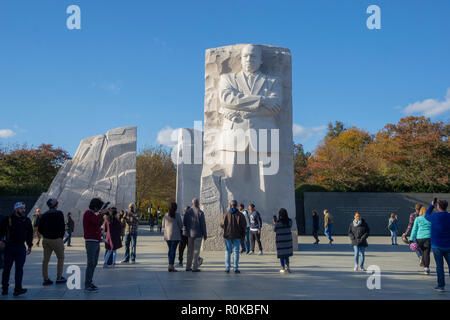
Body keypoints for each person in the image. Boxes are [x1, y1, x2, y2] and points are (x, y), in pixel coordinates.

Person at [0, 202, 33, 296]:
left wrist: (29, 245)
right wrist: (1, 240)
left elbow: (29, 233)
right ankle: (4, 288)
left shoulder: (26, 220)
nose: (23, 210)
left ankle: (18, 289)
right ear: (16, 209)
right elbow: (1, 230)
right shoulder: (8, 219)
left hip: (21, 248)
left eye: (24, 208)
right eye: (21, 208)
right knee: (7, 269)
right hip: (9, 247)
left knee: (19, 269)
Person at [39, 198, 67, 286]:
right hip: (56, 239)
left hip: (46, 239)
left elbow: (40, 229)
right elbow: (62, 227)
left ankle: (45, 278)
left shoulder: (43, 215)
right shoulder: (59, 213)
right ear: (56, 205)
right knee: (60, 258)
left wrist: (45, 234)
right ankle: (59, 277)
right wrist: (61, 238)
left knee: (45, 260)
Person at [83, 197, 108, 292]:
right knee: (90, 263)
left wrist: (101, 214)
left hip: (96, 240)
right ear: (96, 207)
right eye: (99, 207)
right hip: (91, 241)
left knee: (94, 263)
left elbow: (98, 223)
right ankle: (87, 284)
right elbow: (95, 221)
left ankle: (90, 282)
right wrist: (101, 213)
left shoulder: (93, 214)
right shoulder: (88, 213)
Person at [425, 199, 450, 292]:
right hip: (448, 245)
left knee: (440, 266)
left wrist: (431, 206)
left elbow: (426, 215)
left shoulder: (434, 216)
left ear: (438, 206)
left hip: (437, 245)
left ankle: (441, 286)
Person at [221, 200, 246, 274]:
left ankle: (227, 268)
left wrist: (226, 228)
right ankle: (235, 268)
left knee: (227, 252)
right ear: (236, 205)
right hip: (237, 236)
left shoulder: (226, 214)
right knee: (236, 252)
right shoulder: (240, 215)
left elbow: (222, 224)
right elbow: (244, 226)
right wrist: (242, 236)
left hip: (227, 235)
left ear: (230, 205)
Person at [183, 198, 207, 272]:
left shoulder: (187, 212)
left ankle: (188, 266)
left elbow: (184, 223)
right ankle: (195, 267)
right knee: (196, 251)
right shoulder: (200, 212)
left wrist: (186, 231)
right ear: (198, 203)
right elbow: (203, 224)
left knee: (189, 251)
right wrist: (205, 234)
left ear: (192, 203)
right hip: (198, 234)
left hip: (190, 234)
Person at [410, 206, 432, 275]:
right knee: (427, 253)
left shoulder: (417, 218)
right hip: (428, 237)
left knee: (422, 252)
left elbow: (414, 229)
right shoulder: (430, 218)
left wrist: (411, 239)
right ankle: (426, 268)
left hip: (419, 238)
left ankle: (422, 259)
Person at [163, 202, 183, 272]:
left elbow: (163, 225)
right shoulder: (177, 215)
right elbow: (181, 225)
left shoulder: (165, 215)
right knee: (173, 250)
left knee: (170, 250)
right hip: (175, 236)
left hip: (168, 236)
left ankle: (170, 264)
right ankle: (171, 265)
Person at [273, 208, 294, 273]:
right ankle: (288, 266)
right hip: (287, 240)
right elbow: (290, 226)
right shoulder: (289, 221)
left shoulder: (278, 223)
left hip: (280, 241)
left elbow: (275, 230)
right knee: (286, 254)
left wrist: (275, 223)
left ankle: (283, 267)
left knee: (281, 254)